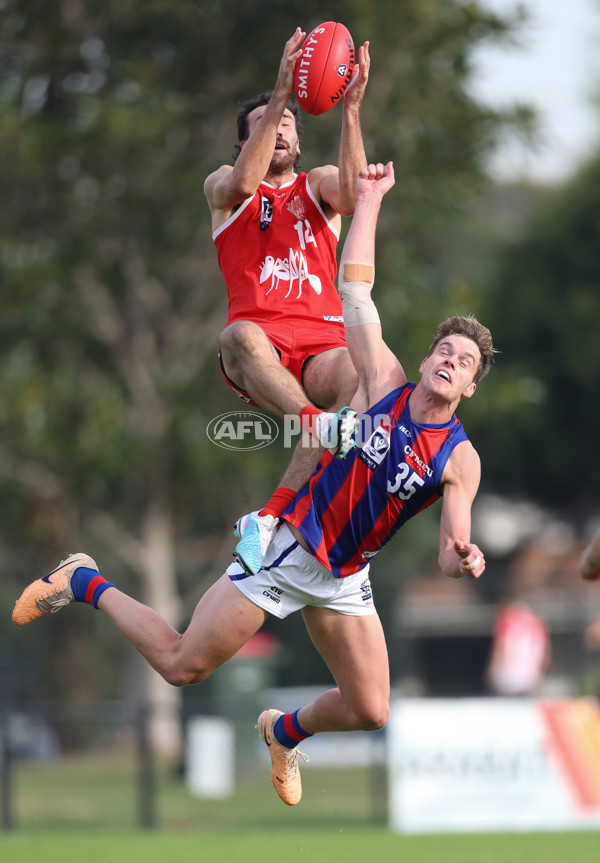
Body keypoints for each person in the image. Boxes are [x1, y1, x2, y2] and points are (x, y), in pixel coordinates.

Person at [12, 162, 493, 808]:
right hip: (290, 552)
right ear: (430, 357)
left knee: (372, 708)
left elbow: (448, 544)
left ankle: (284, 730)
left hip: (347, 575)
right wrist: (370, 198)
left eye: (463, 363)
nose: (448, 362)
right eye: (445, 351)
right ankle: (83, 580)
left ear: (468, 387)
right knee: (183, 665)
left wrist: (463, 557)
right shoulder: (383, 383)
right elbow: (356, 292)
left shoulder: (461, 458)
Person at [204, 28, 370, 575]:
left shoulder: (317, 183)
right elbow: (247, 179)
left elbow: (352, 194)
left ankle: (269, 519)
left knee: (362, 369)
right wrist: (279, 96)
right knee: (238, 335)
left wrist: (351, 110)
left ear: (299, 142)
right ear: (245, 141)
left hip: (320, 343)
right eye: (266, 127)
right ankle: (318, 427)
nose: (278, 132)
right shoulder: (223, 185)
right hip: (262, 347)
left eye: (288, 125)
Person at [485, 595, 551, 697]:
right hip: (532, 679)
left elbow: (500, 649)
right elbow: (546, 653)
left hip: (508, 679)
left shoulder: (506, 619)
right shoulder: (538, 621)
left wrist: (491, 673)